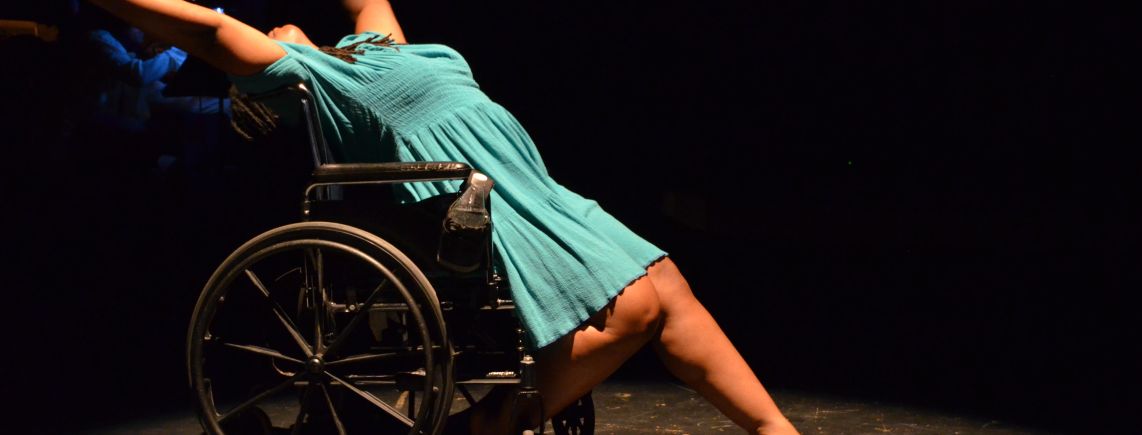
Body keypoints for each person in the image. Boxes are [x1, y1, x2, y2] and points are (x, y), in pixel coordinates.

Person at [87, 0, 800, 433]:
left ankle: (775, 428)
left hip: (531, 183)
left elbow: (368, 0)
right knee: (637, 306)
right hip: (474, 199)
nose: (274, 22)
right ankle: (476, 430)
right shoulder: (311, 77)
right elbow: (209, 29)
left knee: (666, 283)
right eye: (269, 32)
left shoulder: (376, 49)